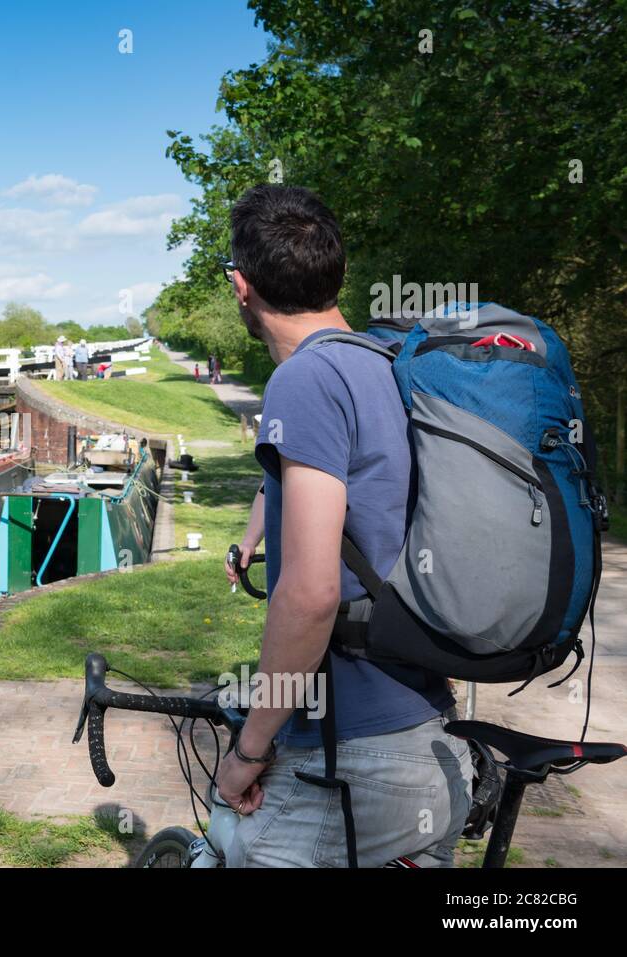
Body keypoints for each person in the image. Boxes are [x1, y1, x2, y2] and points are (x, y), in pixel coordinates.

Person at [213, 185, 470, 867]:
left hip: (355, 757)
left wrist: (248, 750)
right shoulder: (388, 365)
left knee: (231, 844)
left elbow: (310, 593)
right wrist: (251, 535)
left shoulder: (304, 380)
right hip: (434, 739)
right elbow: (334, 490)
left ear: (242, 286)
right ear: (336, 274)